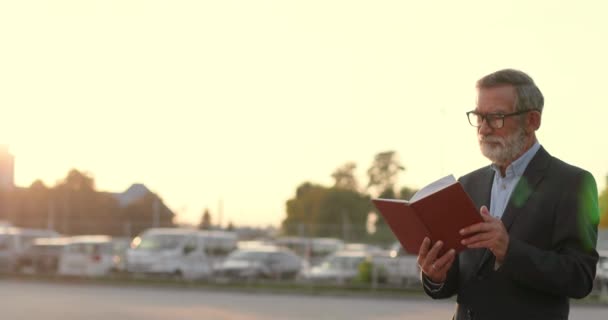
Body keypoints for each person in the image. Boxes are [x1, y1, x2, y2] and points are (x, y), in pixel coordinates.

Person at [417, 69, 599, 319]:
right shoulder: (468, 184)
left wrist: (509, 250)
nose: (483, 128)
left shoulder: (572, 183)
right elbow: (459, 278)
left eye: (496, 117)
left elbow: (580, 277)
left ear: (532, 121)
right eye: (479, 116)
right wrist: (435, 275)